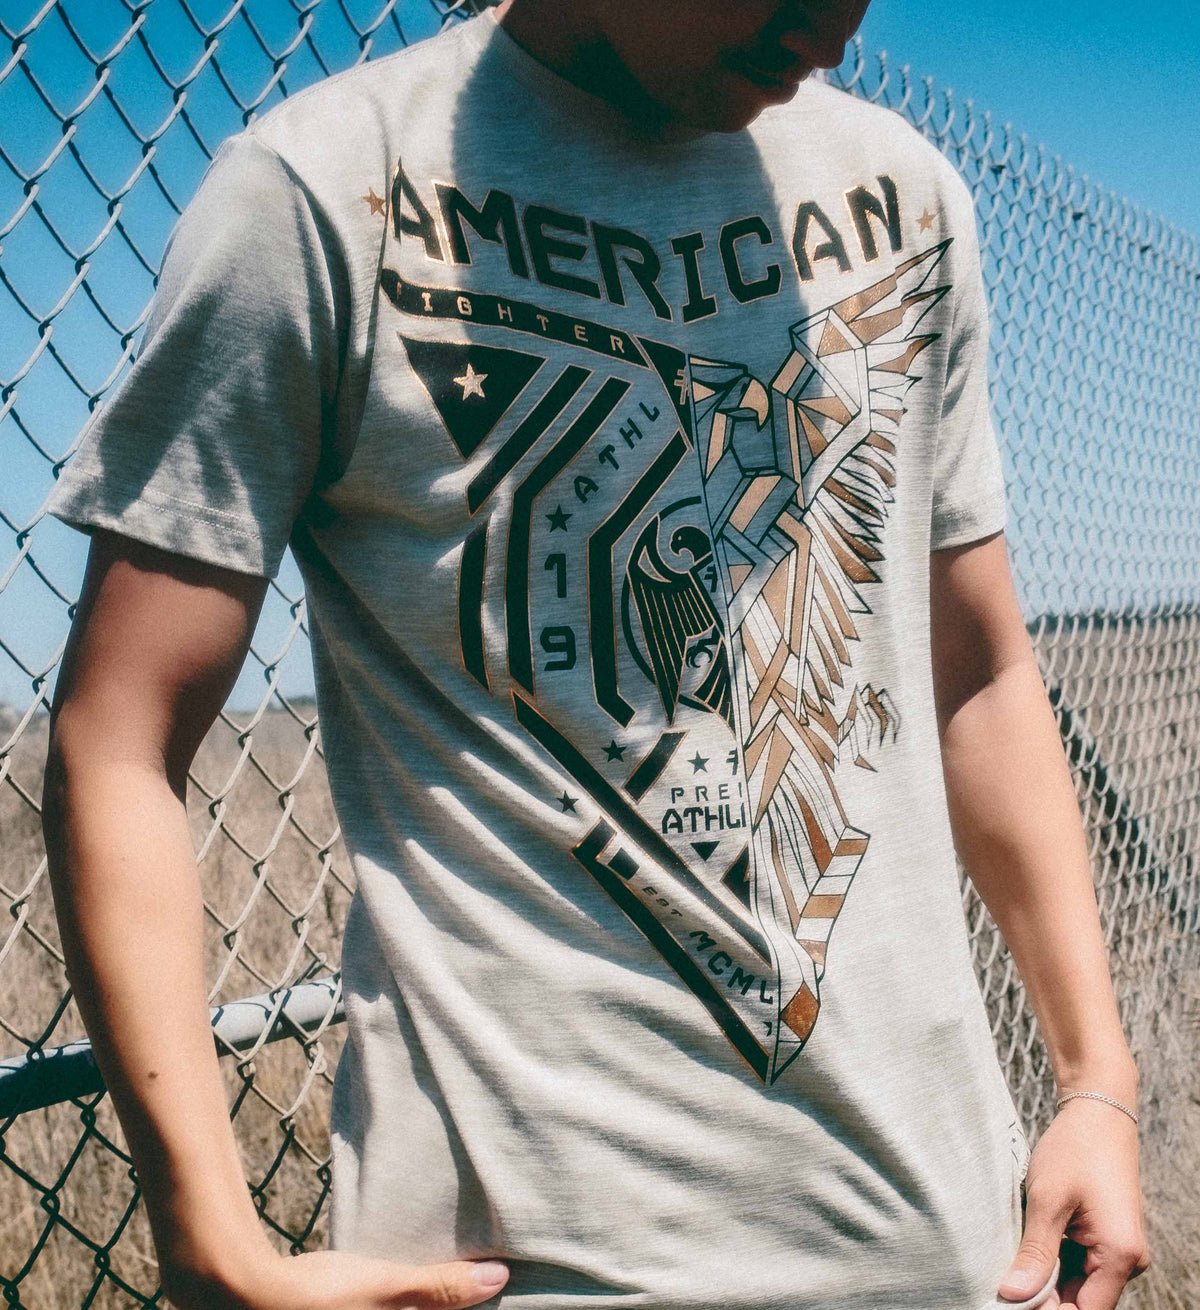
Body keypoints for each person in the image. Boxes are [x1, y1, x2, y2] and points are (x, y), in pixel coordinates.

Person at [40, 2, 1150, 1309]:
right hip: (523, 1268)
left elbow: (979, 672)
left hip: (944, 1250)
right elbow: (118, 737)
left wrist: (1096, 1083)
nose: (833, 26)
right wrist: (206, 1238)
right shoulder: (324, 196)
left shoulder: (903, 195)